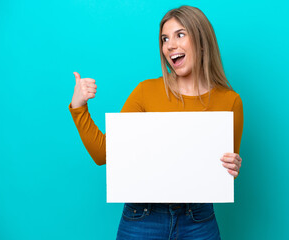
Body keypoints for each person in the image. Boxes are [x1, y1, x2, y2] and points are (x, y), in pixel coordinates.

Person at [69, 5, 243, 240]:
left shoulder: (230, 101)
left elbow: (223, 171)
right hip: (142, 218)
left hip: (198, 219)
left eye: (180, 34)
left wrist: (233, 166)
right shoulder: (145, 92)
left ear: (202, 41)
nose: (170, 45)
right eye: (164, 38)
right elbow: (103, 154)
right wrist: (79, 107)